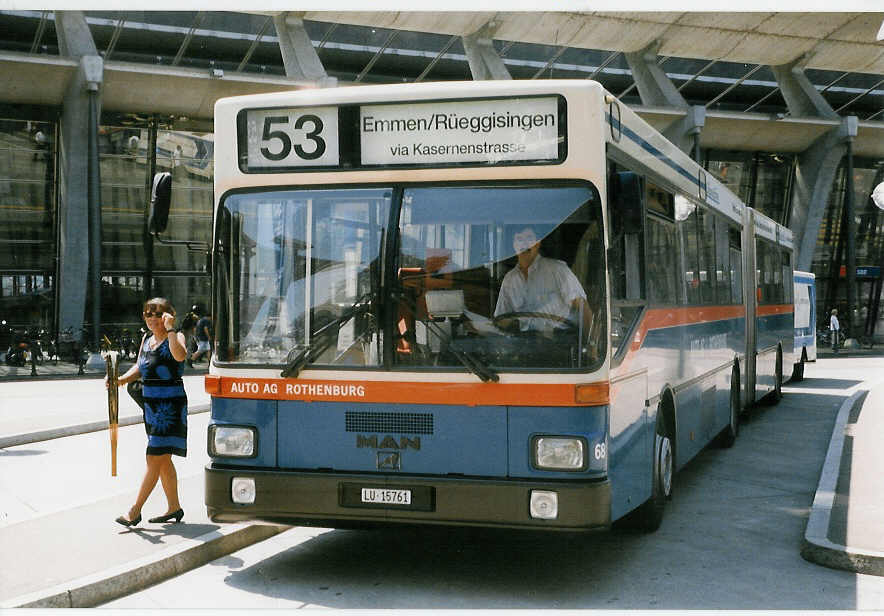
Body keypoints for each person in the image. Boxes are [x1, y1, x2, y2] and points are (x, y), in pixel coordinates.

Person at [109, 297, 188, 527]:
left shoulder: (176, 336)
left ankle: (134, 511)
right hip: (151, 406)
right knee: (163, 459)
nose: (152, 318)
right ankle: (174, 507)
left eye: (157, 314)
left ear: (167, 316)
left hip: (170, 406)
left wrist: (171, 329)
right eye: (148, 314)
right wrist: (120, 380)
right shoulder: (146, 339)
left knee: (154, 457)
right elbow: (141, 366)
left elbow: (179, 356)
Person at [494, 226, 593, 336]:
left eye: (529, 238)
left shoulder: (558, 270)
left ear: (538, 243)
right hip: (523, 344)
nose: (525, 244)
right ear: (514, 245)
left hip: (561, 343)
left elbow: (583, 309)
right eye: (519, 239)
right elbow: (501, 319)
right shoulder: (509, 280)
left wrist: (591, 346)